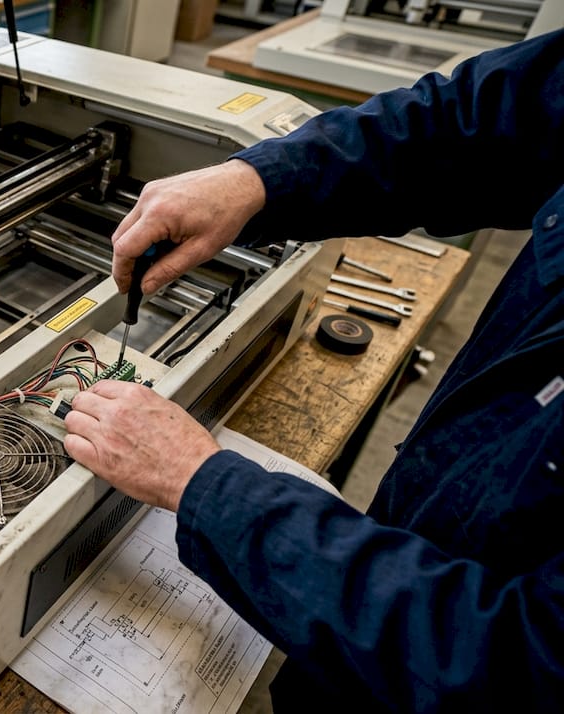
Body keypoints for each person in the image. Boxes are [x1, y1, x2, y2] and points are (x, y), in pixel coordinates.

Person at [62, 28, 564, 713]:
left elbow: (517, 667)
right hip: (425, 532)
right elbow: (473, 121)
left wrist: (207, 489)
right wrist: (260, 179)